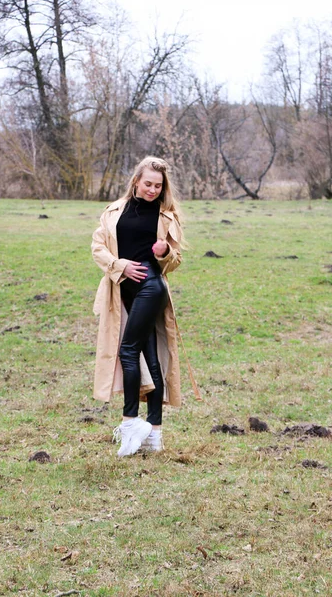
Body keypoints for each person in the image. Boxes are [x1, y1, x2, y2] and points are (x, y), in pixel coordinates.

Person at [91, 156, 184, 457]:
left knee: (128, 351)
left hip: (150, 288)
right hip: (123, 292)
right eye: (148, 184)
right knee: (149, 357)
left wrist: (165, 250)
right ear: (136, 181)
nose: (153, 190)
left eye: (158, 186)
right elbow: (97, 248)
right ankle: (154, 434)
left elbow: (176, 259)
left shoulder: (166, 215)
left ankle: (131, 423)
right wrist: (120, 266)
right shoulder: (114, 211)